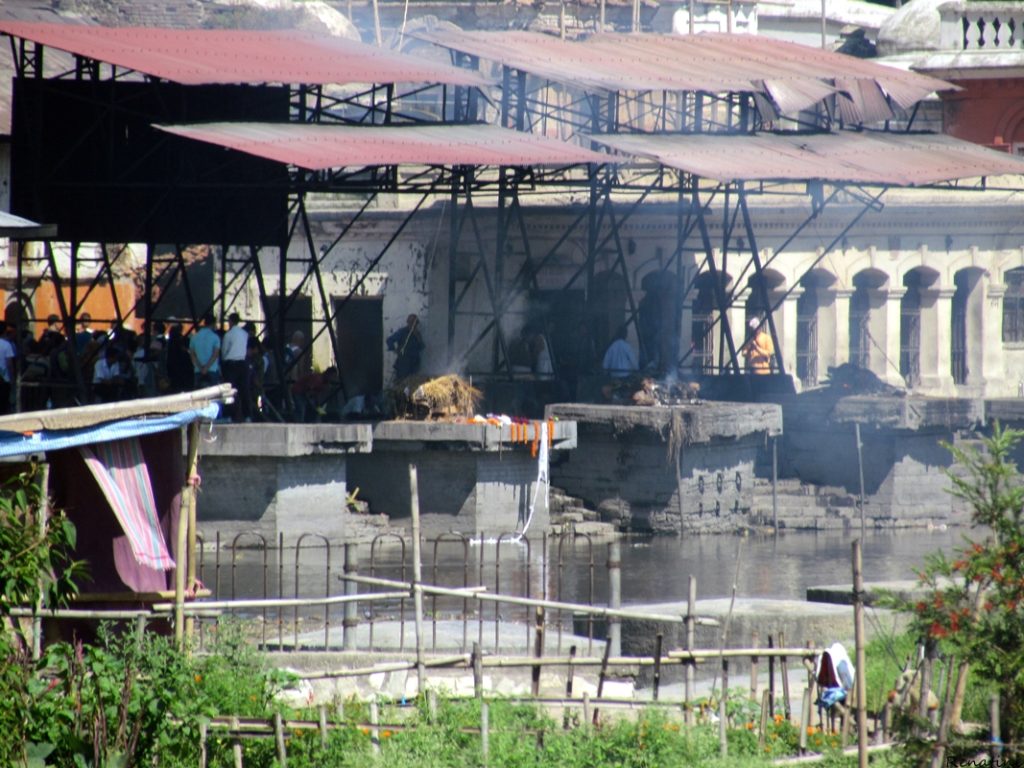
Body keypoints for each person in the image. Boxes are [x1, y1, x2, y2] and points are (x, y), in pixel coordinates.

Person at [220, 312, 250, 421]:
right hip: (242, 363)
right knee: (244, 390)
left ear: (231, 321)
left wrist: (223, 363)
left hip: (231, 364)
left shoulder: (228, 335)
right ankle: (247, 415)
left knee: (230, 391)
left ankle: (229, 415)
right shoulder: (244, 334)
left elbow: (224, 351)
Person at [387, 314, 424, 381]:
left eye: (415, 323)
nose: (413, 325)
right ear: (408, 323)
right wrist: (394, 349)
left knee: (411, 384)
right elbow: (390, 340)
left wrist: (418, 338)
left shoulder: (417, 334)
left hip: (414, 364)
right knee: (401, 382)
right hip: (403, 363)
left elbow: (422, 347)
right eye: (411, 323)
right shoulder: (402, 332)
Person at [189, 313, 221, 387]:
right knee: (213, 395)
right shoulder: (215, 337)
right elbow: (215, 355)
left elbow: (192, 355)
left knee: (197, 396)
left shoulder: (194, 337)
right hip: (212, 370)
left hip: (198, 370)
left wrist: (200, 368)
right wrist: (206, 368)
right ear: (213, 323)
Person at [0, 321, 15, 414]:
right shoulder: (7, 345)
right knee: (3, 404)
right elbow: (9, 364)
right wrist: (12, 379)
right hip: (4, 379)